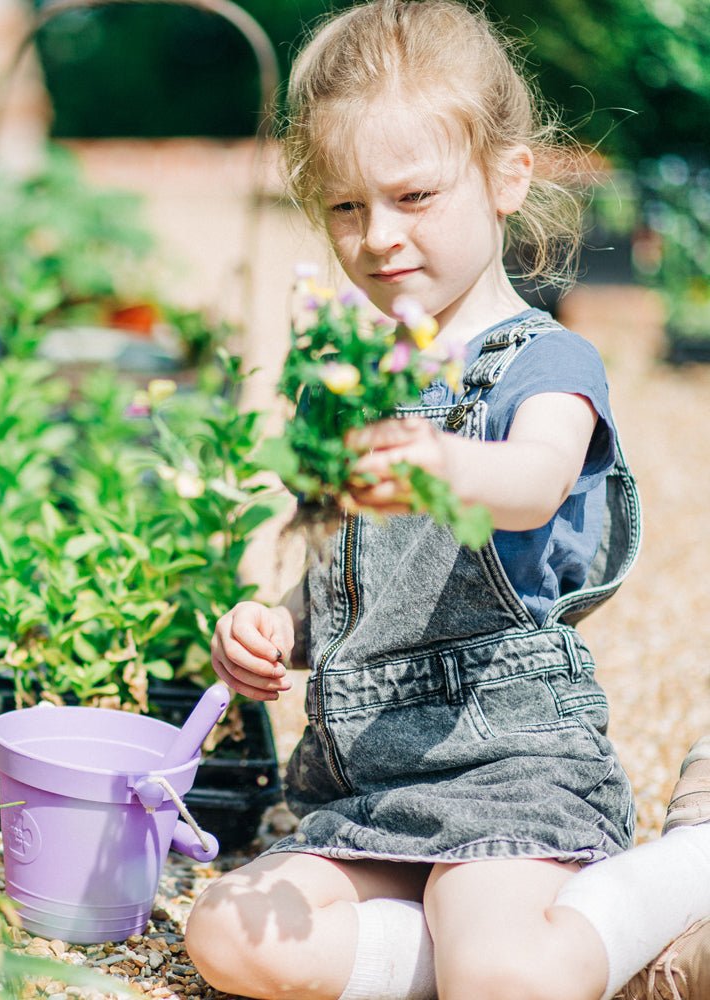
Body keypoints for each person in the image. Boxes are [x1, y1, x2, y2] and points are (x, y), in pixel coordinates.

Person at [183, 3, 710, 999]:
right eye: (345, 207)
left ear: (506, 177)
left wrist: (441, 465)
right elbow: (356, 579)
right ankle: (543, 957)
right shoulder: (346, 386)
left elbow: (531, 483)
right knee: (227, 932)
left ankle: (693, 859)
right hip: (367, 785)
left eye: (413, 195)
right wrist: (275, 630)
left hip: (507, 768)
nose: (378, 236)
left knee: (502, 973)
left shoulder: (546, 365)